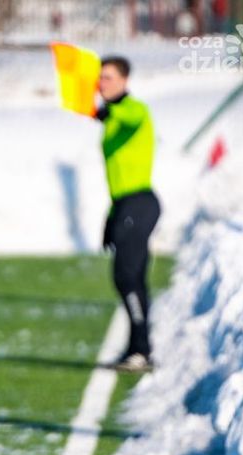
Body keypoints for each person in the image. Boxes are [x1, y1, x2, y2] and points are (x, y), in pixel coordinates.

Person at [96, 55, 160, 373]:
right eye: (100, 78)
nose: (102, 83)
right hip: (124, 205)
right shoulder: (111, 119)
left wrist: (110, 110)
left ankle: (141, 350)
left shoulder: (133, 109)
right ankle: (138, 348)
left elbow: (132, 116)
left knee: (126, 276)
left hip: (139, 203)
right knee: (131, 277)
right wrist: (111, 218)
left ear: (124, 80)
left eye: (108, 77)